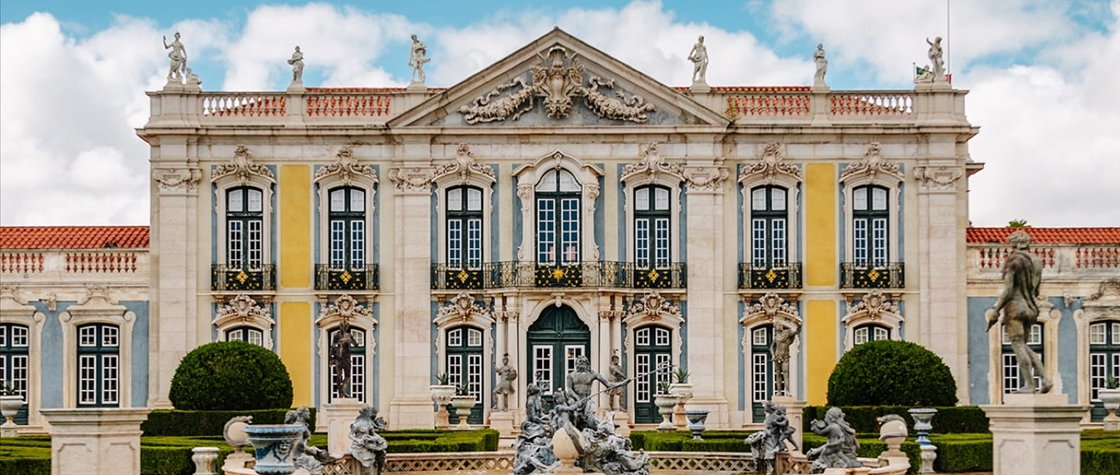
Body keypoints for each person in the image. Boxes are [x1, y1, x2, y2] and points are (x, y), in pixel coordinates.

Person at [987, 230, 1052, 393]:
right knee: (1024, 345)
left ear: (1014, 243)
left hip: (1016, 307)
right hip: (1031, 307)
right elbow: (1036, 288)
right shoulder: (1037, 261)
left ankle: (1030, 385)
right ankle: (1044, 378)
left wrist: (996, 309)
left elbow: (1008, 289)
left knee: (1017, 344)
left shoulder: (1013, 261)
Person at [350, 406, 388, 475]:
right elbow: (350, 435)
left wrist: (378, 438)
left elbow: (373, 433)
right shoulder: (357, 424)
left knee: (381, 453)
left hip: (368, 445)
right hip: (359, 447)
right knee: (366, 462)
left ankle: (378, 471)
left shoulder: (370, 423)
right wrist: (358, 440)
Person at [771, 321, 801, 396]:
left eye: (781, 325)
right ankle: (779, 392)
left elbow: (796, 332)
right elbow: (771, 347)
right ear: (776, 328)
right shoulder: (776, 338)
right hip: (777, 357)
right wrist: (773, 355)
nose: (781, 326)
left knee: (786, 374)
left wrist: (799, 326)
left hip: (785, 357)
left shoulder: (786, 334)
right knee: (778, 374)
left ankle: (787, 391)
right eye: (779, 325)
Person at [330, 320, 356, 397]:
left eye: (346, 326)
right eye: (344, 326)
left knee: (348, 375)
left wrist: (349, 341)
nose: (345, 328)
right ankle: (341, 393)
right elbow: (332, 346)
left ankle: (342, 389)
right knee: (339, 375)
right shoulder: (336, 335)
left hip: (346, 357)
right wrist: (331, 358)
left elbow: (355, 344)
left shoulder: (348, 335)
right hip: (338, 357)